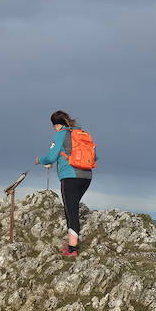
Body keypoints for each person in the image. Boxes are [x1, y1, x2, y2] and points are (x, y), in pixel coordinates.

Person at [35, 110, 92, 257]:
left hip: (70, 177)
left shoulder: (61, 134)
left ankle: (72, 249)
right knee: (72, 208)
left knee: (71, 211)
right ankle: (72, 242)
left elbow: (51, 156)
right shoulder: (81, 133)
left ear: (56, 124)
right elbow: (94, 156)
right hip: (86, 177)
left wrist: (39, 160)